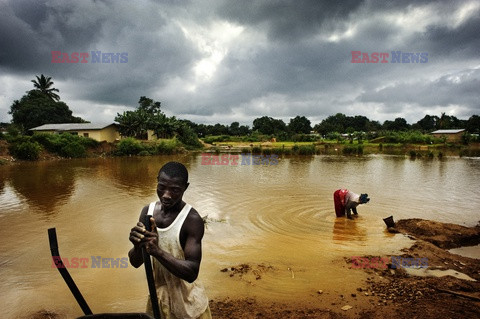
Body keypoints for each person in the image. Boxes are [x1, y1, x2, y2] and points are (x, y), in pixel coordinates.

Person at [128, 161, 211, 319]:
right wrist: (137, 246)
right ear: (157, 180)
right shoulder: (148, 212)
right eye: (162, 187)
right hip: (159, 298)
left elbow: (192, 272)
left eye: (174, 190)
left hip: (189, 302)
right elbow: (135, 262)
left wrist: (157, 251)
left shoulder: (191, 220)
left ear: (185, 188)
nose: (166, 195)